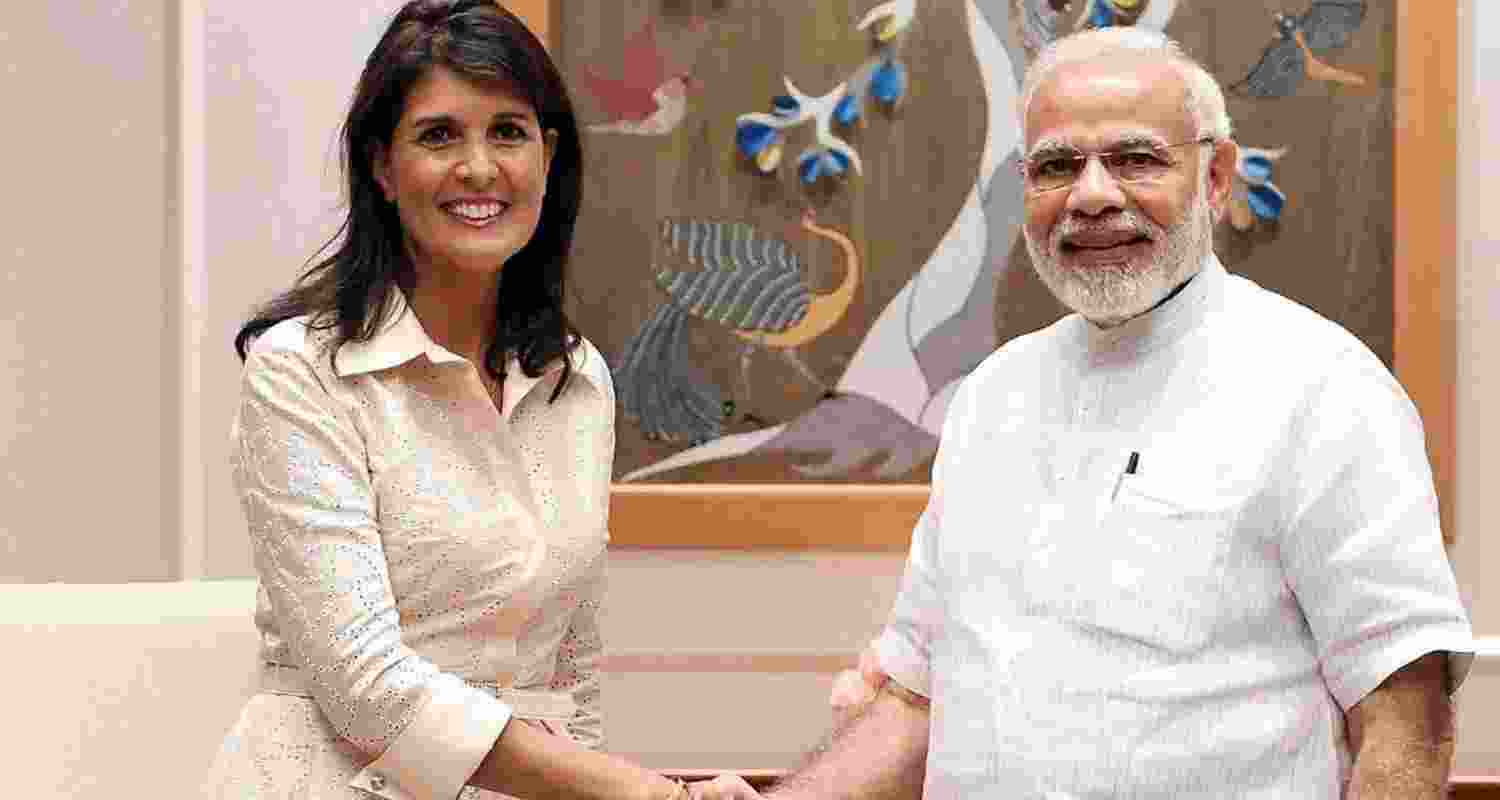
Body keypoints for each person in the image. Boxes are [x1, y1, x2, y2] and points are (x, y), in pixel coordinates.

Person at [695, 26, 1475, 800]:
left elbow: (1405, 724)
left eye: (1135, 159)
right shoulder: (989, 398)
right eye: (1057, 166)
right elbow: (916, 700)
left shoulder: (1323, 389)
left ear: (1215, 177)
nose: (1091, 195)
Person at [203, 3, 701, 798]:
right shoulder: (300, 370)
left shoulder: (578, 378)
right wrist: (639, 791)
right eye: (438, 135)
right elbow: (365, 685)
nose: (478, 168)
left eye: (507, 131)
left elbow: (570, 662)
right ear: (382, 166)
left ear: (549, 155)